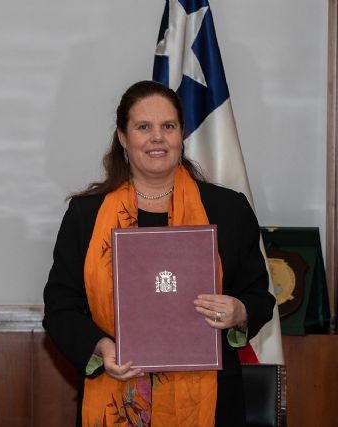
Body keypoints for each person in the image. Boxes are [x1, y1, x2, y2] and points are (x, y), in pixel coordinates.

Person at [42, 80, 275, 427]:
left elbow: (259, 296)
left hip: (211, 401)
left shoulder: (228, 209)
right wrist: (103, 348)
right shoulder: (85, 215)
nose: (157, 137)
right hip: (115, 392)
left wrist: (240, 310)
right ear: (123, 136)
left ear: (182, 133)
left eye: (168, 126)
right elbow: (61, 307)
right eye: (143, 127)